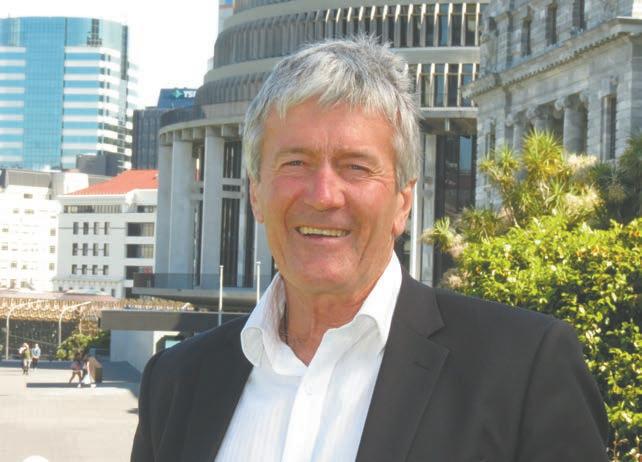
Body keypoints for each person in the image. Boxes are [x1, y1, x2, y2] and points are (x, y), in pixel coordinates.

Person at [131, 38, 609, 462]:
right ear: (256, 191)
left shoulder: (520, 369)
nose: (323, 195)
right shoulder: (176, 382)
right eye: (295, 162)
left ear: (403, 201)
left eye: (355, 167)